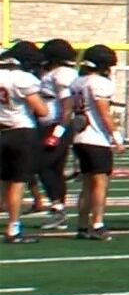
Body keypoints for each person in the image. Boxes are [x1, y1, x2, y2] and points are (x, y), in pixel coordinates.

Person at [66, 45, 122, 241]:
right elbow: (103, 112)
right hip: (96, 139)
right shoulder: (99, 83)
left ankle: (82, 225)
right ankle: (97, 224)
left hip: (80, 137)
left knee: (87, 185)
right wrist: (116, 136)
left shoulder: (77, 81)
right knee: (100, 184)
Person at [1, 42, 51, 243]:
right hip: (21, 132)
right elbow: (42, 111)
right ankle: (13, 227)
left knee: (4, 182)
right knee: (17, 182)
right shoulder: (23, 78)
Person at [35, 39, 77, 230]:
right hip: (49, 125)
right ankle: (57, 208)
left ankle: (57, 208)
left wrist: (57, 133)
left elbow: (67, 108)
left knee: (43, 166)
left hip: (57, 126)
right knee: (54, 169)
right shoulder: (51, 73)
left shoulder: (62, 74)